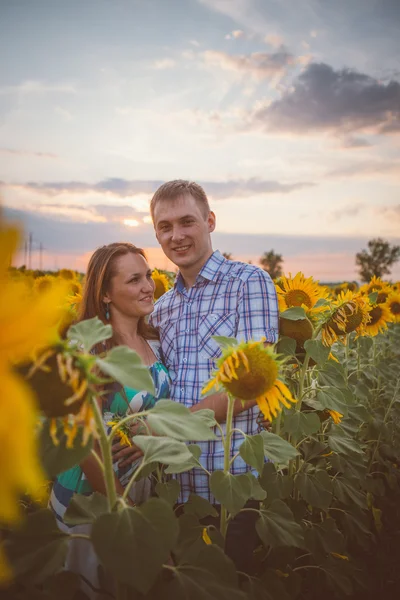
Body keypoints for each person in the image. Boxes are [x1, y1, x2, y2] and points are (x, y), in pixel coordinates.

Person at [148, 179, 279, 574]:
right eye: (165, 227)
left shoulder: (247, 283)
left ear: (210, 221)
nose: (177, 235)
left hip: (234, 483)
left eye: (187, 222)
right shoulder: (163, 308)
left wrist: (166, 432)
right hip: (179, 488)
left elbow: (253, 383)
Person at [49, 242, 171, 598]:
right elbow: (82, 446)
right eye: (134, 280)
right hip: (89, 501)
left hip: (140, 489)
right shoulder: (86, 352)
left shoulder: (156, 342)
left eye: (148, 276)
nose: (148, 286)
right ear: (104, 293)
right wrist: (128, 511)